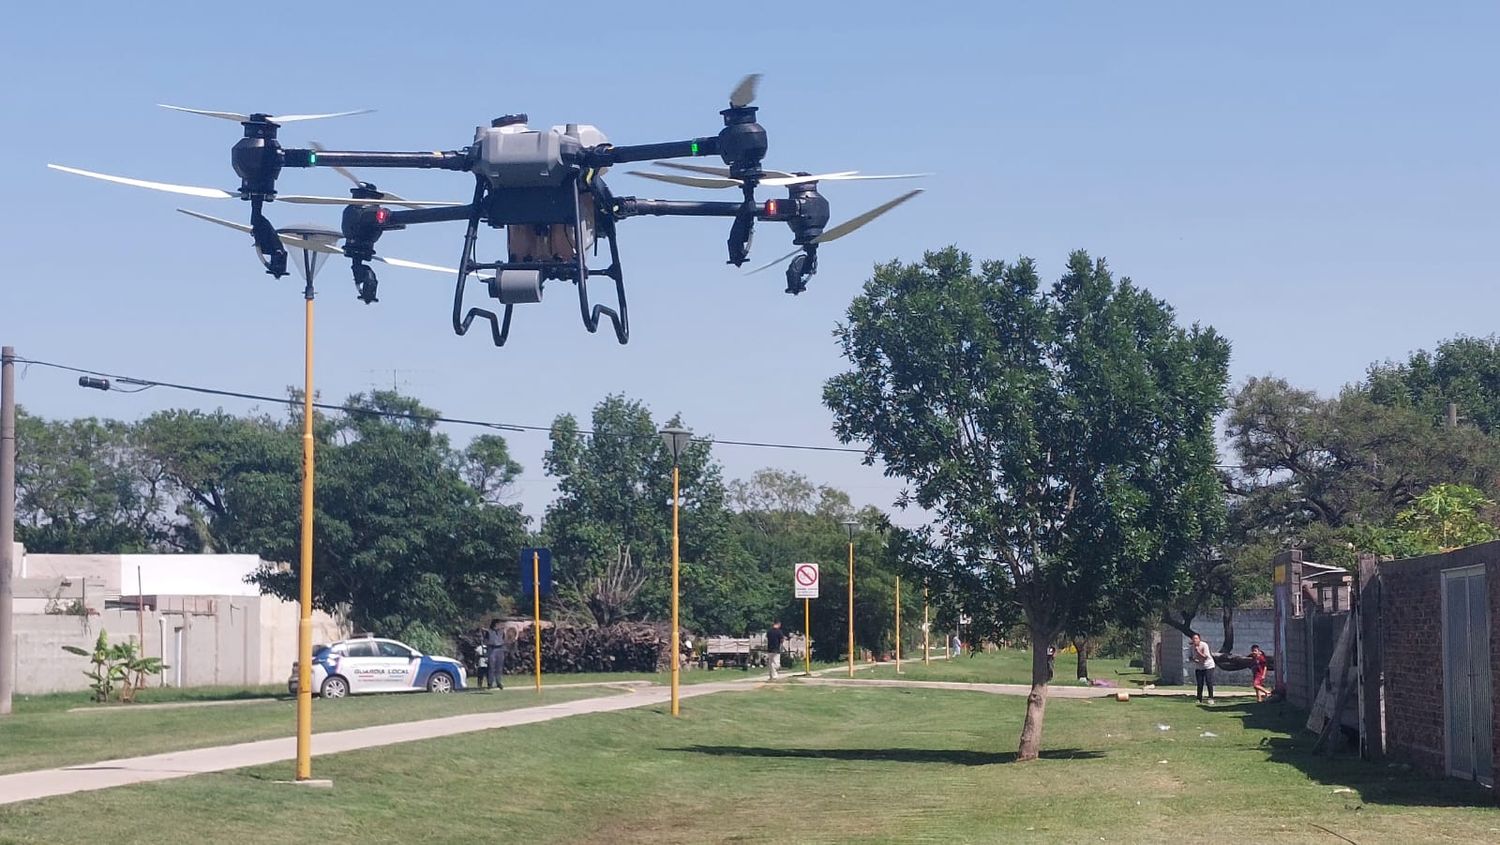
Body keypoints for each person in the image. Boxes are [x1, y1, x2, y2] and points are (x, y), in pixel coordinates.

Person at [1189, 633, 1215, 704]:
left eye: (1196, 638)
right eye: (1193, 639)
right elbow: (1190, 657)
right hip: (1199, 667)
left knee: (1209, 681)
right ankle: (1199, 699)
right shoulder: (1191, 647)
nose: (1195, 640)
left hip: (1208, 666)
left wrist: (1198, 651)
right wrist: (1194, 660)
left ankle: (1211, 698)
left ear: (1199, 639)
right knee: (1199, 683)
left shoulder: (1204, 645)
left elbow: (1205, 657)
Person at [484, 619, 507, 690]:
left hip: (500, 649)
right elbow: (486, 641)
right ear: (495, 624)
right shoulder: (489, 632)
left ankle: (498, 682)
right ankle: (490, 683)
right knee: (491, 667)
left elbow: (503, 638)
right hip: (492, 649)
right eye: (499, 624)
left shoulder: (502, 631)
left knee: (499, 667)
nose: (500, 626)